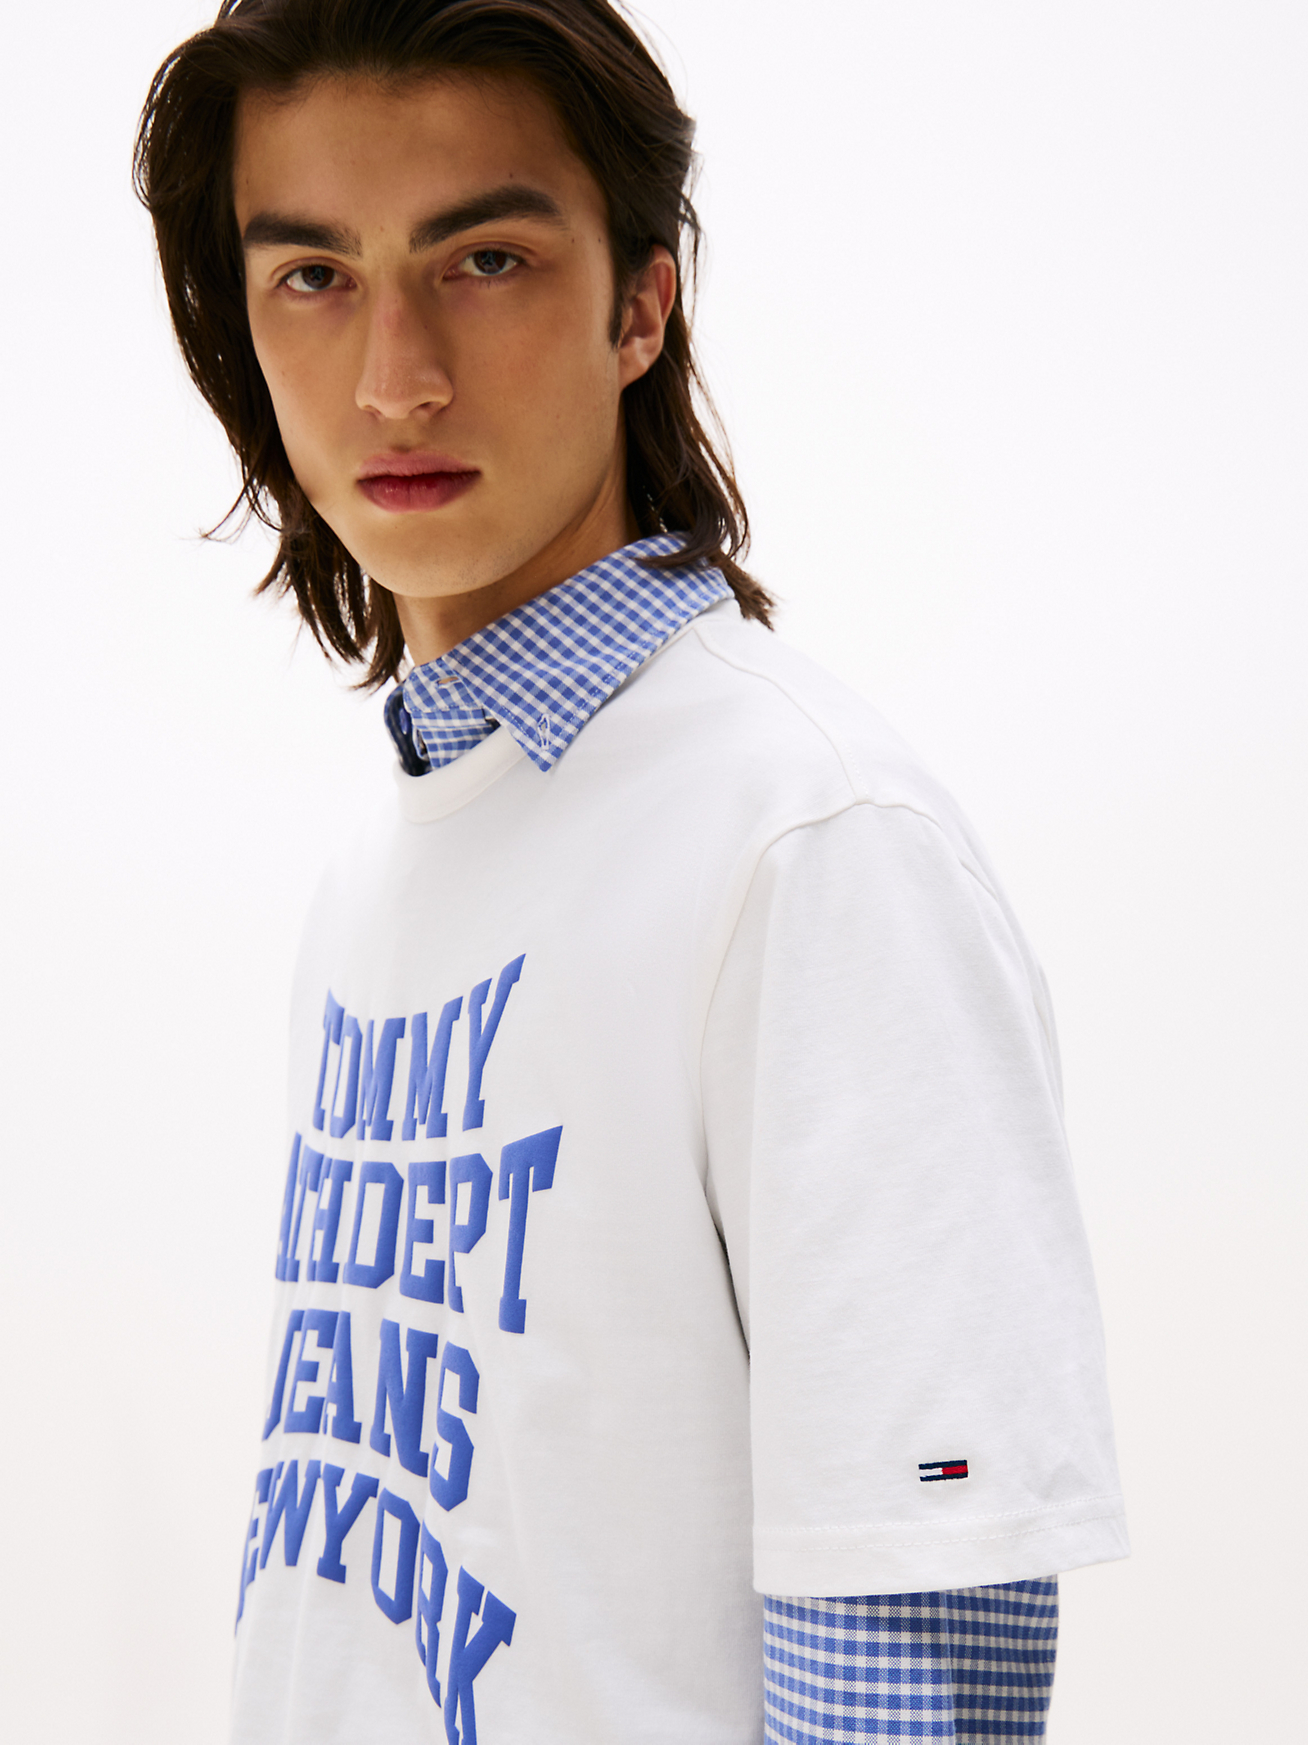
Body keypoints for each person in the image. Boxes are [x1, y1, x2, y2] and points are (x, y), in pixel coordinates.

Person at [135, 2, 1127, 1740]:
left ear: (640, 305)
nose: (394, 377)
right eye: (314, 276)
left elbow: (914, 1637)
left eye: (486, 260)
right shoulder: (380, 868)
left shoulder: (813, 845)